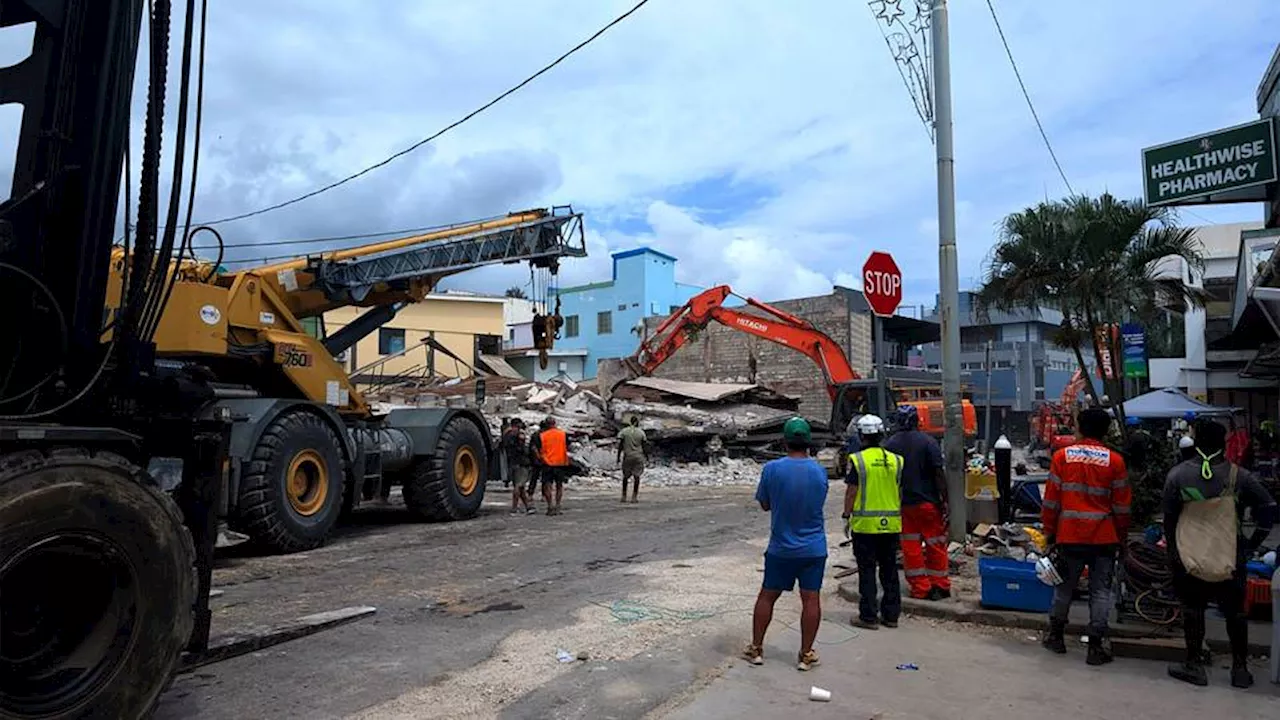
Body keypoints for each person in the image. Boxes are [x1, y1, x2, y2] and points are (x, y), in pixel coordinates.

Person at [1164, 419, 1277, 689]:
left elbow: (1169, 520)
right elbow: (1270, 508)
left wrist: (1173, 553)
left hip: (1189, 555)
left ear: (1195, 441)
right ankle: (1240, 669)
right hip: (1230, 554)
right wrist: (1252, 543)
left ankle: (1194, 665)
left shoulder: (1178, 475)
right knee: (1235, 612)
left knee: (1193, 610)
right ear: (1224, 443)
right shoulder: (1240, 476)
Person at [1041, 407, 1131, 665]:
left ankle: (1056, 637)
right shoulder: (1115, 461)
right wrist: (1121, 538)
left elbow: (1051, 502)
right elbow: (1122, 507)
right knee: (1101, 591)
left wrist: (1049, 533)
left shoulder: (1062, 457)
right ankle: (1095, 647)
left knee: (1064, 588)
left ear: (1080, 427)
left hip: (1069, 535)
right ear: (1105, 431)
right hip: (1104, 537)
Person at [743, 417, 827, 671]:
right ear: (808, 442)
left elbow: (765, 504)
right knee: (811, 600)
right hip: (813, 548)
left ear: (785, 441)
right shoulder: (819, 471)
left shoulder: (772, 470)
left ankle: (756, 649)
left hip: (781, 547)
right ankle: (805, 654)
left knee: (767, 596)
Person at [882, 405, 950, 601]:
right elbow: (938, 474)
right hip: (929, 503)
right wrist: (945, 501)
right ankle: (940, 585)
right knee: (936, 544)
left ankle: (921, 587)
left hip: (904, 505)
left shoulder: (890, 445)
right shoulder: (929, 442)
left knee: (911, 547)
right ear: (916, 420)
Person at [843, 414, 903, 630]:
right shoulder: (897, 460)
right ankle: (891, 616)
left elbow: (851, 492)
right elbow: (899, 491)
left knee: (867, 571)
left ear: (861, 436)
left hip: (866, 527)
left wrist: (845, 515)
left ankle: (868, 616)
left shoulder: (857, 460)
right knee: (890, 571)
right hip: (891, 525)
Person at [530, 416, 570, 515]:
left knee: (547, 485)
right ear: (554, 423)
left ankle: (550, 506)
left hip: (547, 463)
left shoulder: (542, 435)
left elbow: (534, 448)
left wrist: (539, 457)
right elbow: (567, 445)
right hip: (560, 462)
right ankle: (558, 506)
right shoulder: (562, 434)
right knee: (559, 486)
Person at [502, 418, 536, 515]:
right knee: (518, 486)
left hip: (512, 462)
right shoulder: (518, 435)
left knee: (520, 487)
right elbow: (522, 448)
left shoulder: (506, 434)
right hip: (521, 463)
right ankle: (514, 508)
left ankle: (527, 507)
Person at [616, 415, 649, 504]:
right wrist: (647, 457)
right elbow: (644, 446)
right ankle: (634, 497)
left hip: (628, 456)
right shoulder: (641, 432)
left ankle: (624, 496)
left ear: (630, 422)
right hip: (638, 456)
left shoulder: (624, 431)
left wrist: (618, 457)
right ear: (637, 422)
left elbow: (620, 445)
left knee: (625, 477)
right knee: (637, 476)